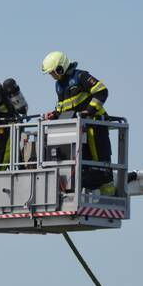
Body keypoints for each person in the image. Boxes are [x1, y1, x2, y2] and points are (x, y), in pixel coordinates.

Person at [40, 51, 114, 193]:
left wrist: (89, 111)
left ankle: (109, 196)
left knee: (102, 165)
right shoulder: (59, 85)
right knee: (84, 167)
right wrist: (54, 114)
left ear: (61, 68)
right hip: (79, 131)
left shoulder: (81, 76)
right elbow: (63, 107)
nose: (52, 76)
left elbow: (102, 91)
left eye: (53, 72)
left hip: (95, 126)